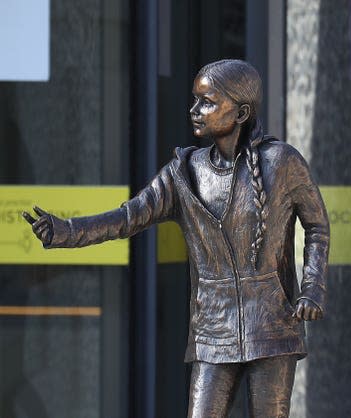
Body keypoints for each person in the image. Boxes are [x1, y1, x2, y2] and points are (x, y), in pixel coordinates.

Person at [23, 59, 330, 418]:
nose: (195, 110)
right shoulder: (184, 173)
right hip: (212, 329)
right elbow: (128, 217)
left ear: (242, 112)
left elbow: (317, 227)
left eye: (208, 102)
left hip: (273, 327)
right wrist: (67, 232)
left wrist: (312, 288)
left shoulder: (281, 162)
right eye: (196, 100)